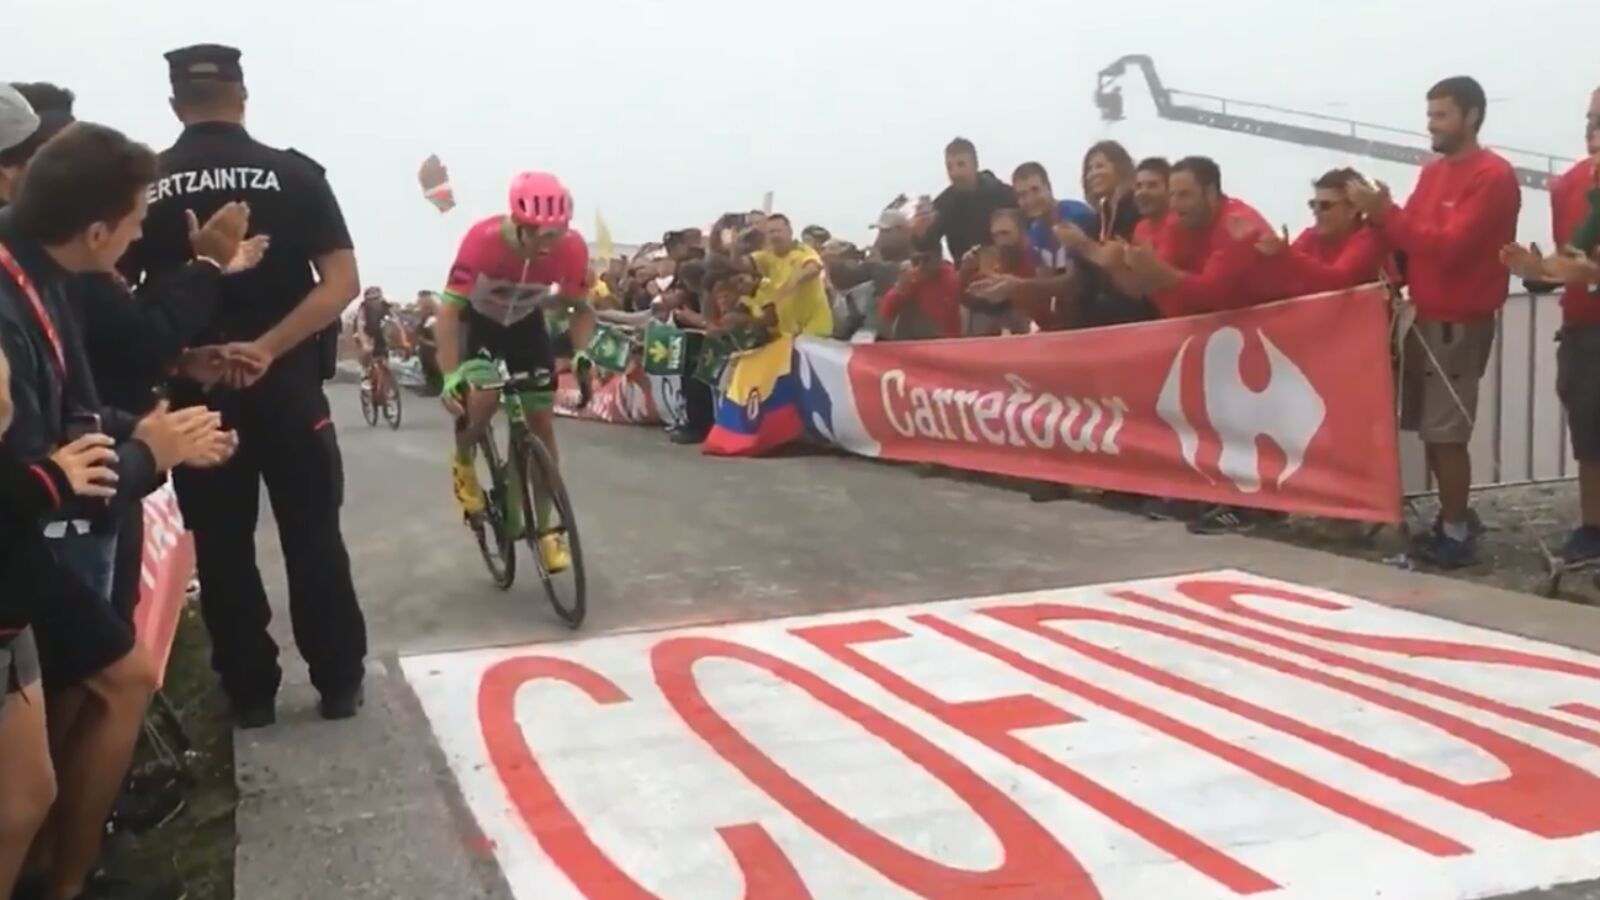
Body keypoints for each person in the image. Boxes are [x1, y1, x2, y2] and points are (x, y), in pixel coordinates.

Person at [2, 120, 229, 900]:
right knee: (113, 686)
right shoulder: (13, 301)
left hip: (28, 549)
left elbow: (75, 411)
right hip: (20, 546)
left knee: (38, 771)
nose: (138, 238)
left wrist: (150, 434)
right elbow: (40, 474)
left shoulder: (43, 271)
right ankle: (66, 881)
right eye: (135, 222)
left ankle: (60, 871)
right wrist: (148, 456)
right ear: (97, 231)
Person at [120, 44, 368, 727]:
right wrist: (268, 347)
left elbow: (115, 299)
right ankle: (338, 682)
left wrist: (181, 359)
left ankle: (251, 692)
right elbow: (342, 282)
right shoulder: (295, 175)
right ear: (243, 96)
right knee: (314, 536)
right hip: (287, 385)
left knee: (222, 546)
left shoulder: (146, 186)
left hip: (196, 397)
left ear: (175, 105)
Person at [1349, 75, 1521, 568]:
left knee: (1447, 433)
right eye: (1430, 115)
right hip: (1425, 315)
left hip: (1459, 320)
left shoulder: (1492, 176)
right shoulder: (1432, 174)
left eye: (1441, 115)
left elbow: (1449, 246)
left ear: (1471, 116)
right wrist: (1380, 221)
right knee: (1432, 429)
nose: (1432, 124)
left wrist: (1387, 214)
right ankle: (1452, 518)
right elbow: (1411, 237)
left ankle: (1457, 531)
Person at [434, 170, 586, 573]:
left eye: (556, 234)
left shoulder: (572, 249)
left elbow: (578, 306)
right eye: (540, 234)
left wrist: (581, 352)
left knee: (542, 423)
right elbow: (448, 313)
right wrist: (450, 376)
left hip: (524, 324)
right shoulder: (481, 241)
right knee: (484, 395)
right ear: (518, 224)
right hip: (478, 323)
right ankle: (463, 459)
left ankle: (547, 529)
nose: (548, 244)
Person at [1503, 87, 1600, 563]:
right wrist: (1536, 272)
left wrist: (1590, 275)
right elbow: (1568, 261)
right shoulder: (1571, 185)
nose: (1593, 130)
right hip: (1584, 330)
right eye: (1590, 119)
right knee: (1589, 434)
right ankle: (1593, 529)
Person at [1123, 155, 1275, 317]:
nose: (1174, 204)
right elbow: (1170, 300)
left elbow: (1213, 294)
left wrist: (1158, 272)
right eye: (1172, 195)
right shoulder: (1177, 221)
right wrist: (1128, 267)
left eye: (1184, 195)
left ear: (1210, 193)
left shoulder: (1236, 223)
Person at [1255, 168, 1390, 295]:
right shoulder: (1312, 236)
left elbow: (1338, 280)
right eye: (1313, 204)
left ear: (1352, 210)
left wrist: (1287, 256)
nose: (1316, 212)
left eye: (1325, 206)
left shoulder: (1369, 239)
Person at [914, 137, 1018, 264]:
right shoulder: (944, 204)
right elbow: (929, 251)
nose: (955, 173)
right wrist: (920, 235)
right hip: (965, 271)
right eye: (949, 167)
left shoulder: (1003, 194)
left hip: (1008, 266)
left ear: (975, 165)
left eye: (961, 164)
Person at [741, 214, 834, 337]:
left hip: (815, 329)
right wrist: (736, 244)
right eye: (771, 232)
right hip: (788, 332)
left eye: (778, 231)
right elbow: (739, 264)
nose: (775, 235)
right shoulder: (765, 256)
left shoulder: (802, 250)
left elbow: (813, 268)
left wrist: (791, 284)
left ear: (789, 231)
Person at [1011, 161, 1097, 272]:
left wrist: (1017, 283)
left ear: (1048, 187)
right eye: (1022, 195)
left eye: (1035, 190)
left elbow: (1077, 278)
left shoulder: (1077, 215)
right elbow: (1044, 278)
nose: (1030, 199)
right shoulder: (1034, 232)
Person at [878, 248, 962, 340]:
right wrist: (901, 287)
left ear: (938, 258)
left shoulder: (949, 276)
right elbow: (886, 314)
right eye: (917, 260)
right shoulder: (912, 278)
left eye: (926, 259)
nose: (921, 265)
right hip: (913, 341)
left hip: (945, 341)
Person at [1082, 140, 1142, 242]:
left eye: (1099, 166)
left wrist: (1081, 243)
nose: (1093, 174)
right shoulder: (1103, 214)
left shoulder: (1136, 205)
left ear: (1120, 167)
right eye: (1089, 169)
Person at [355, 285, 395, 405]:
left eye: (376, 299)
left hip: (380, 334)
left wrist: (402, 342)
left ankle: (387, 390)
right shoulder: (363, 309)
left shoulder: (386, 307)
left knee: (385, 361)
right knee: (366, 351)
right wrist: (365, 343)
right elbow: (360, 328)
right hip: (365, 332)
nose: (374, 302)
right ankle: (366, 375)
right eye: (371, 300)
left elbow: (396, 324)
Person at [1131, 157, 1173, 249]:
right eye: (1138, 186)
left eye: (1152, 185)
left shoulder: (1180, 225)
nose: (1142, 192)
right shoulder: (1140, 228)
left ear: (1170, 189)